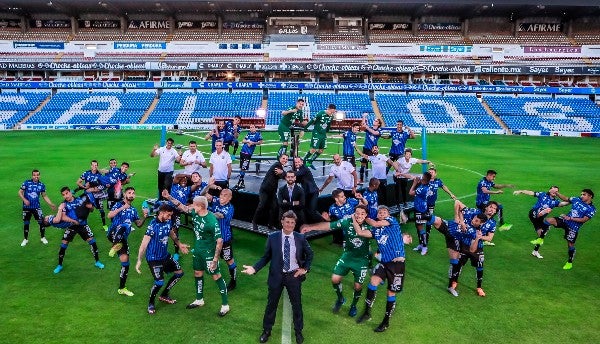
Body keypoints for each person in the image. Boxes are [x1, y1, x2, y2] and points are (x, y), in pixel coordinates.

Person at [242, 211, 313, 344]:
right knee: (271, 305)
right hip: (276, 276)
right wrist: (254, 268)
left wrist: (305, 269)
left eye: (292, 223)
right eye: (287, 222)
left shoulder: (300, 238)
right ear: (282, 222)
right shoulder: (272, 237)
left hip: (294, 276)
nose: (290, 225)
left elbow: (310, 254)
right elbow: (266, 257)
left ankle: (298, 332)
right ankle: (267, 331)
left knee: (297, 306)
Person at [164, 191, 230, 316]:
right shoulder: (195, 212)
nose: (191, 206)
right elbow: (182, 207)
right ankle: (199, 299)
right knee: (197, 273)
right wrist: (169, 197)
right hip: (198, 251)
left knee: (217, 276)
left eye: (194, 204)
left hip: (209, 253)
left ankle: (225, 305)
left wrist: (215, 260)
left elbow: (219, 241)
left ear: (200, 206)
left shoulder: (211, 220)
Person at [301, 205, 371, 317]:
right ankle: (340, 299)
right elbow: (329, 226)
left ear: (366, 215)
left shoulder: (370, 225)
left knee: (358, 286)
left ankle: (353, 305)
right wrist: (310, 227)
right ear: (354, 213)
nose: (359, 215)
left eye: (362, 213)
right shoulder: (347, 221)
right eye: (357, 213)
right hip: (347, 257)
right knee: (335, 279)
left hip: (361, 260)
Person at [352, 205, 412, 332]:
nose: (382, 213)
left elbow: (373, 222)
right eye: (380, 212)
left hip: (397, 265)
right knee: (372, 282)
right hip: (385, 263)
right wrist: (354, 219)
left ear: (388, 214)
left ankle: (386, 322)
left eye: (384, 212)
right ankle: (367, 313)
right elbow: (360, 232)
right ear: (378, 215)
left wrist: (363, 217)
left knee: (390, 293)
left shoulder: (392, 222)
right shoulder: (377, 231)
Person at [135, 204, 189, 314]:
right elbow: (144, 244)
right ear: (161, 213)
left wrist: (179, 244)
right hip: (154, 258)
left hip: (165, 255)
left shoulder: (168, 222)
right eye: (168, 215)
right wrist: (139, 260)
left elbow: (171, 233)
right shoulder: (153, 225)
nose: (170, 218)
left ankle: (164, 294)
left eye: (171, 216)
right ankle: (151, 303)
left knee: (179, 273)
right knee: (159, 282)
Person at [429, 201, 487, 297]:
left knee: (455, 262)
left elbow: (472, 250)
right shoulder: (470, 214)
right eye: (474, 219)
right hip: (449, 227)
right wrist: (458, 217)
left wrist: (477, 238)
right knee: (433, 219)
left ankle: (450, 286)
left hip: (454, 239)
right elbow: (457, 203)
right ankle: (408, 218)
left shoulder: (476, 232)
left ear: (481, 223)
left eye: (477, 221)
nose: (474, 221)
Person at [106, 186, 149, 297]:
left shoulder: (133, 210)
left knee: (126, 263)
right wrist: (122, 208)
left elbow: (138, 224)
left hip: (122, 238)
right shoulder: (118, 204)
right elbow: (109, 215)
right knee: (124, 225)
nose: (131, 194)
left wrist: (145, 217)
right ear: (124, 194)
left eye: (133, 193)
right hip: (113, 234)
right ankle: (114, 246)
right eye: (129, 192)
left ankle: (122, 288)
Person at [52, 187, 104, 274]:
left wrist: (91, 207)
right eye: (64, 195)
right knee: (64, 244)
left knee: (92, 241)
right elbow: (63, 217)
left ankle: (97, 262)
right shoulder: (64, 204)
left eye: (67, 193)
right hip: (72, 226)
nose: (66, 196)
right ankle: (59, 265)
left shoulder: (81, 200)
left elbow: (91, 210)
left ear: (71, 193)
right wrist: (73, 221)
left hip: (83, 225)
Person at [454, 200, 499, 297]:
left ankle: (479, 287)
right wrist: (460, 220)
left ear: (495, 212)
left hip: (478, 247)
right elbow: (458, 203)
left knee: (480, 267)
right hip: (465, 244)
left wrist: (479, 237)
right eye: (491, 207)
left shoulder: (492, 223)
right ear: (486, 207)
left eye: (494, 209)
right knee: (459, 264)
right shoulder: (474, 212)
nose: (492, 209)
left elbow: (490, 238)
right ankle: (454, 282)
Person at [543, 189, 595, 270]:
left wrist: (570, 218)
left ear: (590, 196)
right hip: (565, 220)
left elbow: (584, 220)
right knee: (548, 220)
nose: (581, 196)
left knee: (570, 245)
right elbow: (566, 198)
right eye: (581, 194)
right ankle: (540, 239)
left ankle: (570, 262)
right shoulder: (577, 199)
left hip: (573, 227)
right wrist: (556, 193)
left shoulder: (591, 209)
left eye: (584, 194)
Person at [513, 186, 569, 259]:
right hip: (533, 213)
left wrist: (571, 201)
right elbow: (531, 192)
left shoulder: (555, 202)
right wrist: (521, 191)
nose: (554, 191)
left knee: (541, 235)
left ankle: (535, 251)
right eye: (553, 190)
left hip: (539, 219)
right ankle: (542, 213)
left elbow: (563, 204)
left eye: (556, 191)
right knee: (540, 213)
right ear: (549, 190)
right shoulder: (542, 194)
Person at [207, 188, 237, 292]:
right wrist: (209, 186)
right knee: (211, 258)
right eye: (221, 195)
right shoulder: (215, 200)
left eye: (225, 195)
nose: (222, 197)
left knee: (229, 260)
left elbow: (219, 215)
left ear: (230, 198)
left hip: (224, 240)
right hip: (213, 238)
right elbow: (204, 195)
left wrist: (206, 214)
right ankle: (215, 275)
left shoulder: (229, 208)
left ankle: (233, 281)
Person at [421, 167, 457, 250]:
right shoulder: (424, 180)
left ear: (435, 174)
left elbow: (444, 187)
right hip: (422, 204)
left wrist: (451, 194)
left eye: (432, 172)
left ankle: (426, 241)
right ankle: (422, 241)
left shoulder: (438, 181)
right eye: (429, 172)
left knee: (428, 222)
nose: (430, 173)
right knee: (420, 221)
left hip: (430, 205)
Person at [19, 169, 56, 246]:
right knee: (26, 223)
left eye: (37, 175)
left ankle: (42, 237)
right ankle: (25, 239)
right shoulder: (26, 182)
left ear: (39, 175)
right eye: (34, 175)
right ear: (32, 176)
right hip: (26, 207)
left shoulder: (41, 185)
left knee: (41, 222)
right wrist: (24, 199)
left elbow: (44, 195)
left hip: (36, 207)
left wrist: (50, 204)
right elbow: (20, 192)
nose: (36, 176)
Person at [252, 154, 288, 231]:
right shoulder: (277, 165)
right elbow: (282, 176)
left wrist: (283, 172)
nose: (285, 160)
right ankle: (254, 222)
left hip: (272, 191)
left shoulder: (280, 166)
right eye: (283, 158)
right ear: (279, 159)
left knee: (274, 207)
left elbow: (284, 176)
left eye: (286, 159)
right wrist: (283, 173)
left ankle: (270, 224)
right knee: (262, 205)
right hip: (265, 190)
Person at [303, 103, 336, 169]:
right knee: (313, 149)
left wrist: (326, 132)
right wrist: (304, 129)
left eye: (333, 112)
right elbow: (312, 120)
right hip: (317, 133)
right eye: (331, 111)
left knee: (321, 150)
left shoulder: (331, 116)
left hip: (323, 134)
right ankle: (303, 161)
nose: (332, 113)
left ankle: (309, 162)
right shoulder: (321, 113)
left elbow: (328, 125)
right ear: (328, 109)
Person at [75, 160, 107, 227]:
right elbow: (78, 182)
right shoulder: (86, 173)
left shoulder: (100, 175)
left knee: (101, 209)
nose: (94, 167)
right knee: (86, 209)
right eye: (93, 165)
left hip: (97, 195)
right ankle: (82, 223)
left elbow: (103, 186)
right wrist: (85, 187)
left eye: (96, 165)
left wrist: (94, 189)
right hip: (88, 195)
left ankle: (104, 225)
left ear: (97, 166)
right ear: (91, 166)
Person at [233, 123, 264, 190]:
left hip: (248, 153)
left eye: (252, 127)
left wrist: (253, 143)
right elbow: (243, 140)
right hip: (242, 152)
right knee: (241, 167)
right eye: (250, 127)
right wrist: (248, 141)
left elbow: (261, 141)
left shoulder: (258, 134)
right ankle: (242, 182)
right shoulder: (249, 134)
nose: (251, 128)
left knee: (244, 167)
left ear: (255, 128)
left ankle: (240, 181)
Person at [293, 157, 323, 223]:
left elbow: (296, 174)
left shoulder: (304, 168)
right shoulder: (300, 170)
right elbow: (297, 180)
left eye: (298, 162)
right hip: (307, 193)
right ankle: (307, 223)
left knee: (312, 211)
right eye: (295, 162)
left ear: (302, 162)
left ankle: (324, 222)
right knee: (306, 209)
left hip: (313, 192)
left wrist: (284, 173)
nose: (297, 163)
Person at [409, 172, 432, 255]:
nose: (421, 178)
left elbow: (410, 192)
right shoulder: (426, 186)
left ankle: (425, 246)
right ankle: (421, 244)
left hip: (420, 209)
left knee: (421, 228)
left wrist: (414, 183)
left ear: (425, 180)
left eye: (422, 177)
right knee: (418, 227)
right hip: (421, 207)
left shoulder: (422, 189)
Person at [359, 116, 382, 183]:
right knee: (363, 164)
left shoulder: (379, 130)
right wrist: (363, 117)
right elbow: (363, 125)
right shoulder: (369, 128)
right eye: (374, 120)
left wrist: (367, 127)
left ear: (379, 124)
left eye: (376, 121)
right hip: (366, 149)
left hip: (373, 150)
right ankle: (361, 179)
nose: (374, 121)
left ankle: (377, 178)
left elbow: (374, 133)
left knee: (374, 165)